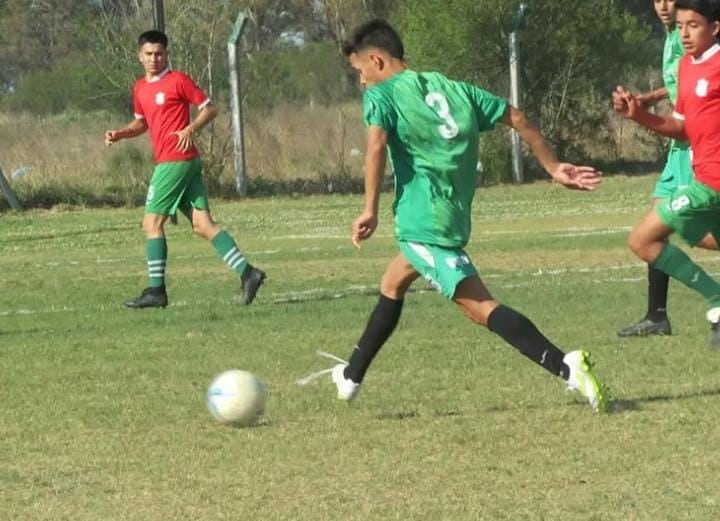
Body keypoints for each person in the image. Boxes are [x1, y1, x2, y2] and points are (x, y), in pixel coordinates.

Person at [302, 19, 609, 413]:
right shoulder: (453, 88)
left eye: (360, 72)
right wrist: (552, 167)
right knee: (393, 281)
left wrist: (369, 209)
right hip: (451, 217)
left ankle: (566, 367)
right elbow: (516, 117)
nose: (362, 82)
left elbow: (376, 147)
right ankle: (352, 376)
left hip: (423, 222)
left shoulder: (382, 96)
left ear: (376, 60)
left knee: (479, 307)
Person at [105, 30, 265, 308]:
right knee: (203, 226)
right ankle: (249, 273)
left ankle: (156, 291)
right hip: (183, 162)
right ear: (139, 56)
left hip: (175, 160)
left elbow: (209, 108)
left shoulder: (178, 80)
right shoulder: (140, 88)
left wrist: (191, 128)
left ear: (166, 54)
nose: (154, 58)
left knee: (151, 224)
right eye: (149, 54)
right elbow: (141, 123)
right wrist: (120, 134)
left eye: (159, 53)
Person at [613, 0, 720, 346]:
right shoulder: (687, 67)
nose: (685, 33)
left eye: (694, 25)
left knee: (642, 239)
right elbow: (681, 126)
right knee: (700, 238)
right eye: (681, 26)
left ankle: (717, 301)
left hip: (713, 184)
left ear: (715, 28)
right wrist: (637, 116)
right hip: (701, 175)